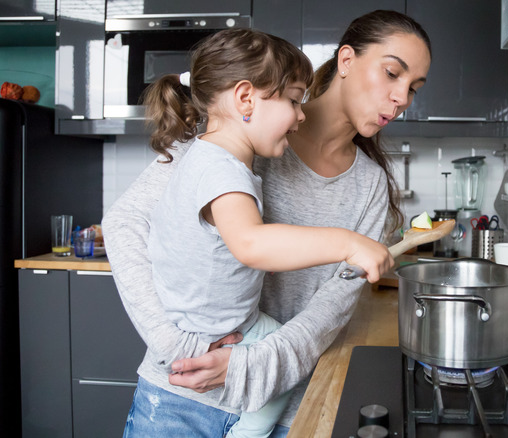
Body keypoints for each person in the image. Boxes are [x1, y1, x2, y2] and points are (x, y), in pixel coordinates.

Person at [102, 10, 432, 437]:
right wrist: (175, 345)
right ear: (347, 60)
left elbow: (331, 307)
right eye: (392, 74)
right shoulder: (238, 131)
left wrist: (248, 366)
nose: (402, 98)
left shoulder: (369, 185)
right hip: (184, 398)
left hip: (285, 407)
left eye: (413, 89)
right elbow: (125, 223)